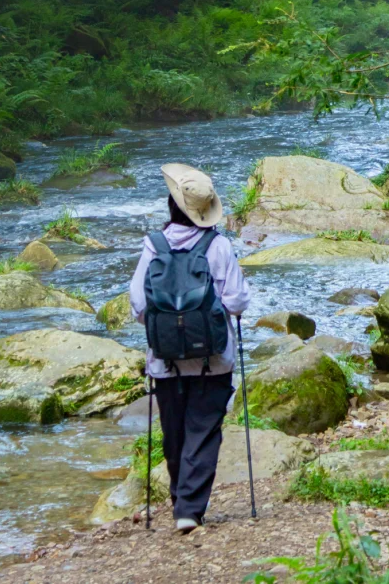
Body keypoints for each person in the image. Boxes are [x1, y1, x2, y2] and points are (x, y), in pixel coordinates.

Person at [128, 162, 249, 535]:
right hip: (213, 361)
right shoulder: (219, 246)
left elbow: (137, 304)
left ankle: (181, 498)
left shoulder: (154, 246)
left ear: (171, 205)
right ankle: (189, 508)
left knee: (174, 432)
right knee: (203, 430)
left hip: (165, 362)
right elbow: (237, 301)